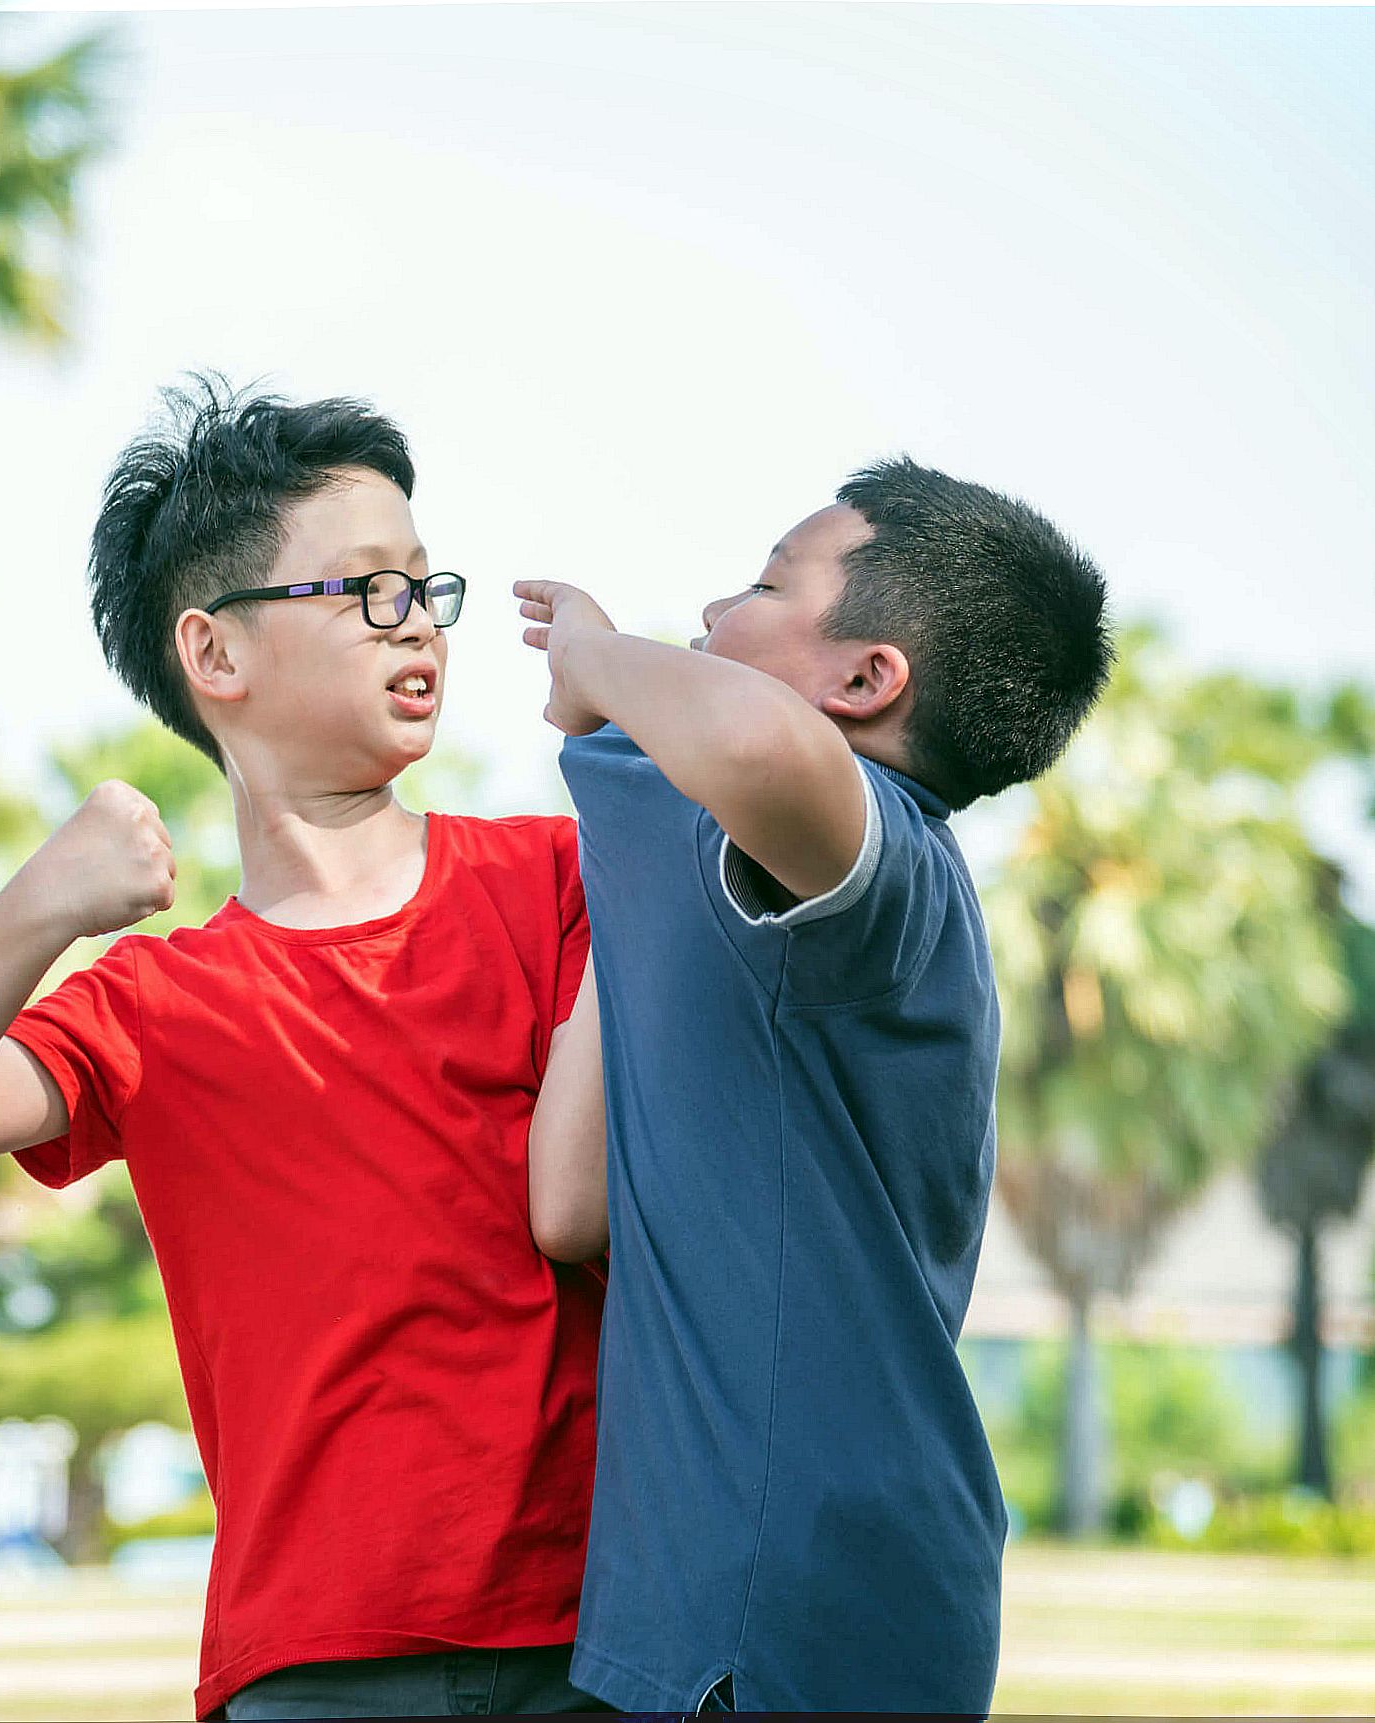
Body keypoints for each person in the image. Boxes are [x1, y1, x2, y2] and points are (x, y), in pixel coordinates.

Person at [0, 378, 610, 1721]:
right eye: (364, 588)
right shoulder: (155, 1004)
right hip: (310, 1655)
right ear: (216, 653)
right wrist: (41, 904)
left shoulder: (561, 877)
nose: (416, 620)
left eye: (428, 584)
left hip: (593, 1627)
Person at [516, 457, 1114, 1714]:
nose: (715, 604)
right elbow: (569, 1207)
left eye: (763, 583)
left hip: (803, 1596)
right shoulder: (754, 891)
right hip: (724, 1599)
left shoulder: (889, 865)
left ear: (861, 678)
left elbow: (743, 738)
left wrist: (594, 652)